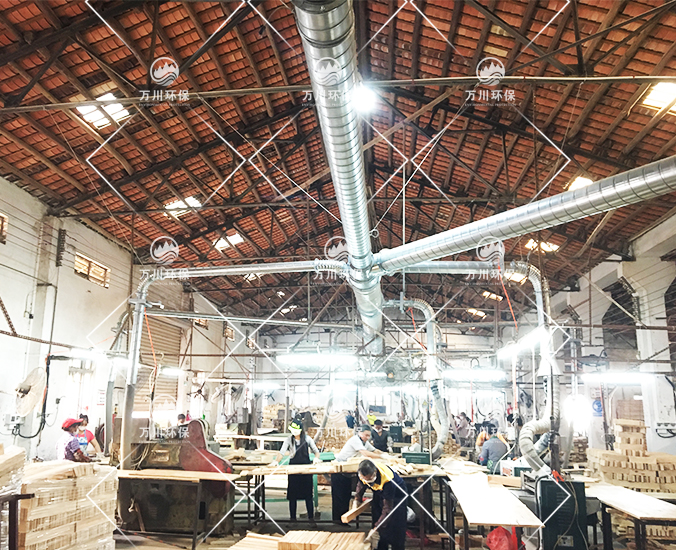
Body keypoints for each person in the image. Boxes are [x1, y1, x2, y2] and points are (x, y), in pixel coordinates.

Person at [352, 459, 408, 550]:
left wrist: (376, 528)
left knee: (396, 527)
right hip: (379, 494)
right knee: (377, 516)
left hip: (396, 496)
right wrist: (357, 499)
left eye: (369, 479)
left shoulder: (388, 480)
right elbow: (361, 484)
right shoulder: (363, 472)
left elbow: (388, 509)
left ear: (374, 473)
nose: (366, 481)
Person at [331, 425, 382, 522]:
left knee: (346, 496)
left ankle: (344, 519)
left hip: (348, 472)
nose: (367, 437)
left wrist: (385, 454)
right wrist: (381, 457)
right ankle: (338, 520)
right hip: (340, 470)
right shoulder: (355, 440)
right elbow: (365, 453)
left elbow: (374, 450)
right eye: (366, 435)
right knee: (339, 497)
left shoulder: (364, 442)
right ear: (360, 433)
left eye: (369, 435)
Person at [273, 420, 321, 523]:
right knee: (292, 496)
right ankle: (293, 519)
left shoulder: (307, 439)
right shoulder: (288, 440)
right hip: (293, 470)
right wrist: (276, 461)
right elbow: (281, 452)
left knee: (308, 495)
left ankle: (311, 519)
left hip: (305, 470)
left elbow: (316, 452)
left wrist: (316, 459)